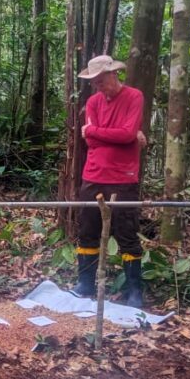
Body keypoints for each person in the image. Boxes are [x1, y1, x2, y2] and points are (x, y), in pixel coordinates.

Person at [71, 55, 147, 307]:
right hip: (92, 175)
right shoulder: (93, 103)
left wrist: (96, 131)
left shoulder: (134, 96)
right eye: (94, 83)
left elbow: (126, 135)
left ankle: (135, 291)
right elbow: (91, 141)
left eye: (101, 81)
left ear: (114, 75)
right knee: (87, 229)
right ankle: (84, 284)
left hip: (123, 177)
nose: (98, 87)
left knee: (126, 232)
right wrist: (114, 135)